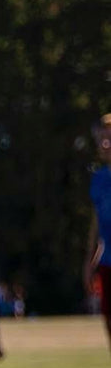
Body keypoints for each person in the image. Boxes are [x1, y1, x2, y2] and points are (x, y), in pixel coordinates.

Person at [84, 114, 111, 355]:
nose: (104, 144)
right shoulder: (99, 178)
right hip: (107, 263)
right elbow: (97, 223)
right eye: (101, 140)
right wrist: (90, 260)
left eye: (109, 139)